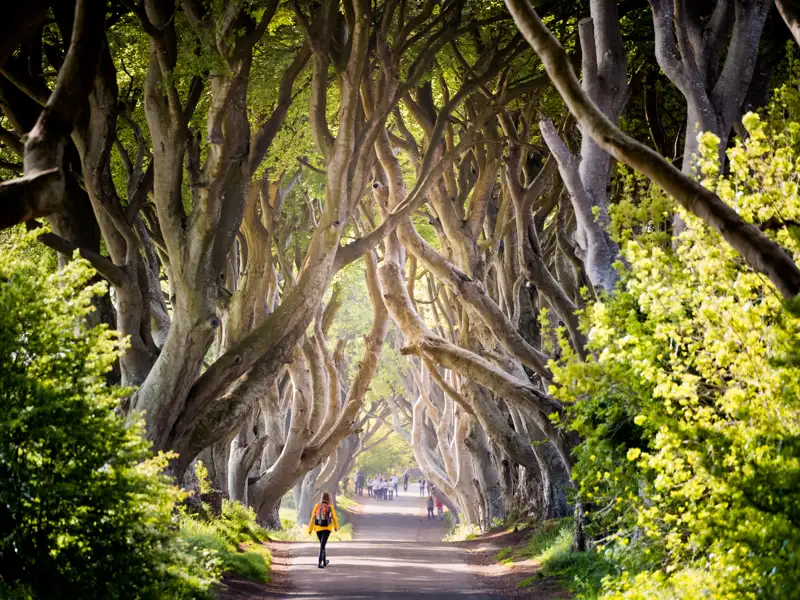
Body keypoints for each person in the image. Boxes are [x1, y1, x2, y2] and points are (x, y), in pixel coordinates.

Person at [308, 492, 339, 569]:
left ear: (321, 498)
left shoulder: (317, 506)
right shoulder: (330, 506)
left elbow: (312, 517)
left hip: (318, 528)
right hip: (327, 528)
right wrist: (336, 527)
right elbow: (334, 518)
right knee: (322, 546)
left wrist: (310, 529)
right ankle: (319, 563)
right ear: (329, 499)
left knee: (322, 545)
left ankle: (324, 561)